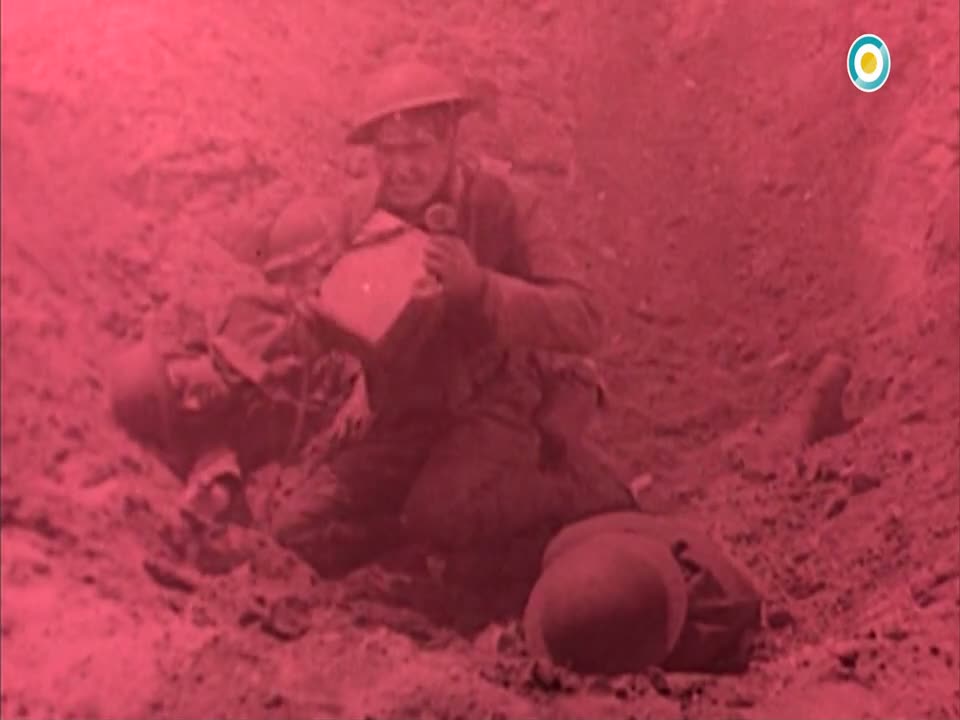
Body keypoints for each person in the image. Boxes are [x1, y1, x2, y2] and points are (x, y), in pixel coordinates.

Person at [109, 59, 635, 575]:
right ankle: (409, 539)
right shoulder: (359, 216)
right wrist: (272, 350)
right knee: (296, 529)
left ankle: (574, 492)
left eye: (417, 148)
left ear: (451, 140)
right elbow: (330, 324)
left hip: (494, 405)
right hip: (403, 415)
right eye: (388, 151)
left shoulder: (506, 204)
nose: (401, 168)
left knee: (443, 514)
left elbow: (585, 319)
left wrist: (481, 288)